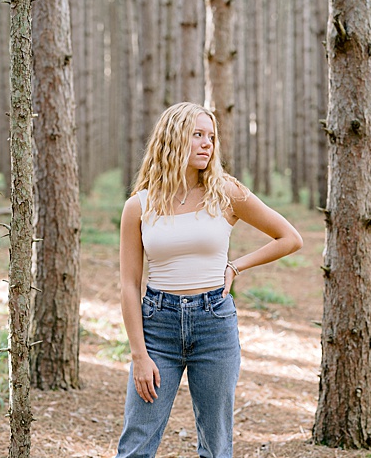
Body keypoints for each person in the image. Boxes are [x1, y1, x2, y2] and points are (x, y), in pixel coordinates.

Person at [116, 102, 302, 457]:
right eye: (197, 135)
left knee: (217, 447)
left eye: (211, 137)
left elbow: (289, 238)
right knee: (136, 446)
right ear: (172, 139)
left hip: (214, 325)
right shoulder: (139, 206)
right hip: (158, 326)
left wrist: (235, 267)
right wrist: (139, 355)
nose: (207, 144)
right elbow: (128, 284)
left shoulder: (226, 192)